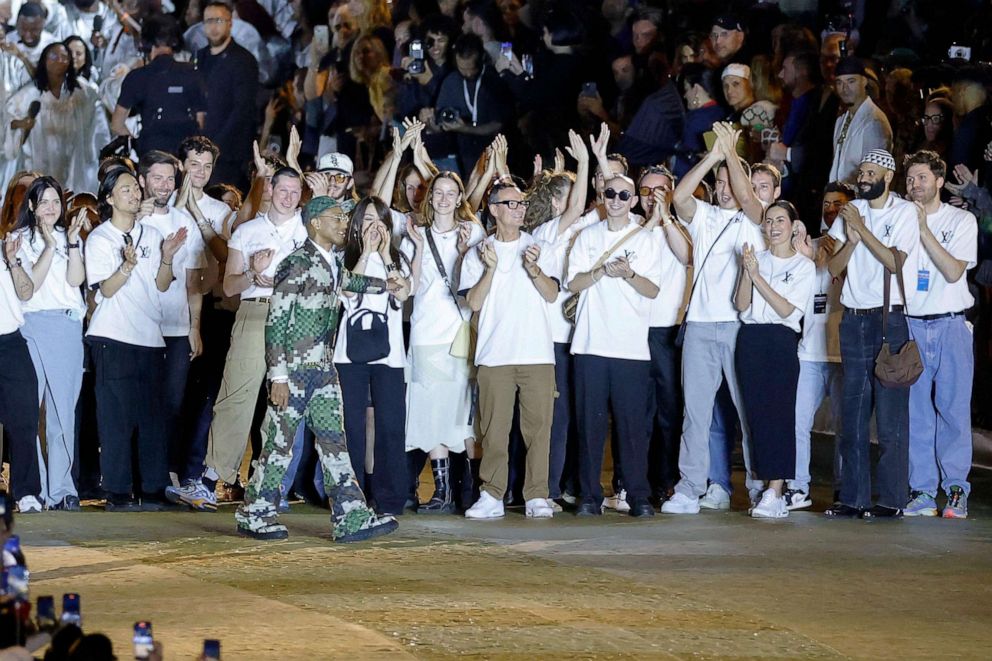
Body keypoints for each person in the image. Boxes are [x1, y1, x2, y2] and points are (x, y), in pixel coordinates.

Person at [235, 196, 399, 542]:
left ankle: (350, 515)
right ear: (315, 223)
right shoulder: (295, 263)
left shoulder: (331, 263)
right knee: (280, 443)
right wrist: (277, 376)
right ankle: (255, 511)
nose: (343, 224)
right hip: (292, 371)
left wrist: (385, 284)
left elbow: (352, 282)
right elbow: (276, 323)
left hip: (322, 370)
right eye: (336, 218)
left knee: (334, 442)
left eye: (344, 218)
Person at [167, 167, 307, 511]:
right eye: (282, 190)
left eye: (294, 191)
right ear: (269, 190)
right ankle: (211, 480)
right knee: (234, 398)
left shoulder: (308, 231)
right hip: (254, 314)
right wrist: (253, 274)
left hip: (294, 320)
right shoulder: (248, 231)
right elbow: (229, 286)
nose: (288, 198)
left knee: (286, 402)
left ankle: (271, 486)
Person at [661, 136, 765, 516]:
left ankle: (758, 486)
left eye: (728, 183)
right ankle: (689, 487)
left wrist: (733, 157)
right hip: (701, 325)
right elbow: (680, 196)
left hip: (738, 326)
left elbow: (750, 199)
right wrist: (713, 156)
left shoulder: (757, 217)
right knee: (696, 412)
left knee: (746, 411)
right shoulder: (704, 215)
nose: (723, 191)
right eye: (718, 184)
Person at [85, 166, 187, 511]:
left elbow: (161, 284)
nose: (133, 194)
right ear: (110, 198)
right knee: (115, 417)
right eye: (125, 190)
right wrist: (126, 266)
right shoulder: (100, 238)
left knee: (151, 418)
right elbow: (107, 290)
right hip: (112, 336)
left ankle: (154, 487)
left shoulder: (152, 233)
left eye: (134, 189)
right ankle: (116, 490)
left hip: (149, 337)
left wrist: (168, 257)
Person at [825, 149, 920, 519]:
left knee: (892, 415)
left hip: (889, 320)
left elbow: (895, 262)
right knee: (853, 411)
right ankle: (854, 497)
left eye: (870, 171)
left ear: (888, 176)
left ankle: (892, 499)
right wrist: (849, 239)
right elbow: (833, 268)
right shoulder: (853, 211)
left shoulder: (904, 212)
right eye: (861, 171)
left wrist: (861, 230)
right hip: (853, 318)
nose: (863, 177)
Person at [459, 182, 559, 519]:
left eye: (522, 203)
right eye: (511, 203)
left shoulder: (540, 247)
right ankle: (491, 494)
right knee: (494, 430)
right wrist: (489, 269)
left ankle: (537, 495)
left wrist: (534, 269)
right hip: (494, 354)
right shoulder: (478, 252)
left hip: (537, 354)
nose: (518, 208)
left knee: (538, 428)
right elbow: (472, 302)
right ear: (494, 209)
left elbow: (551, 294)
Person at [566, 174, 661, 517]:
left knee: (632, 426)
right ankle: (589, 495)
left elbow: (654, 290)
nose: (617, 199)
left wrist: (629, 275)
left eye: (624, 194)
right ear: (602, 197)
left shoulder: (647, 240)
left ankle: (637, 495)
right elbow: (572, 282)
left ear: (634, 200)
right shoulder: (586, 237)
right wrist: (601, 272)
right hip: (591, 345)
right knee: (588, 426)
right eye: (610, 193)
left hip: (631, 348)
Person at [401, 171, 484, 513]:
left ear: (460, 197)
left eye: (452, 193)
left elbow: (475, 287)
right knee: (428, 411)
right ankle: (441, 491)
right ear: (430, 197)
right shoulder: (414, 234)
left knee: (460, 413)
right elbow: (412, 286)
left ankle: (467, 491)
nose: (445, 199)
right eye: (439, 192)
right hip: (426, 333)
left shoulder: (473, 232)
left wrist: (464, 251)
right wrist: (419, 248)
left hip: (459, 334)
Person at [902, 150, 978, 518]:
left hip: (950, 324)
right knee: (917, 414)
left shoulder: (961, 221)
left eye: (922, 178)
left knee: (952, 410)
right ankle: (921, 491)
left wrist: (922, 229)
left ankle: (956, 490)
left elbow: (952, 271)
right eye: (911, 178)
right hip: (912, 324)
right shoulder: (899, 220)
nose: (915, 185)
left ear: (939, 182)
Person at [8, 176, 86, 511]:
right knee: (30, 411)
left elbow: (75, 280)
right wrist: (50, 247)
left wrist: (68, 243)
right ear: (31, 206)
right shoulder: (19, 240)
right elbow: (31, 287)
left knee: (62, 412)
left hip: (66, 325)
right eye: (44, 202)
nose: (51, 208)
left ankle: (62, 488)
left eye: (56, 202)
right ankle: (34, 488)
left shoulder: (69, 236)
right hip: (31, 326)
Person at [734, 201, 814, 518]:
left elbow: (786, 310)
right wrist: (746, 272)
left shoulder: (802, 266)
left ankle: (777, 489)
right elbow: (741, 304)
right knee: (755, 415)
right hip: (751, 338)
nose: (773, 226)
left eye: (780, 220)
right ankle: (765, 486)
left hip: (780, 339)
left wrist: (758, 277)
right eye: (768, 221)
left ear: (793, 226)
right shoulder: (757, 259)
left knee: (779, 414)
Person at [333, 197, 411, 516]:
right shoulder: (344, 257)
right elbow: (348, 291)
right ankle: (351, 497)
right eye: (366, 221)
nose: (373, 227)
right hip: (349, 354)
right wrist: (366, 252)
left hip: (389, 356)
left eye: (379, 221)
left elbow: (403, 292)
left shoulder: (398, 258)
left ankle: (390, 497)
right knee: (350, 427)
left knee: (390, 426)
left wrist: (384, 255)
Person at [136, 151, 207, 483]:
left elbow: (194, 281)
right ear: (142, 180)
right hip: (136, 329)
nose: (164, 185)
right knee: (141, 402)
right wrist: (136, 216)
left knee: (173, 404)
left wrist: (195, 327)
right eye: (157, 178)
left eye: (169, 179)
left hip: (177, 328)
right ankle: (137, 474)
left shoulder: (184, 221)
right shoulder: (133, 219)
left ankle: (167, 474)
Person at [788, 181, 853, 511]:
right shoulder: (808, 245)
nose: (831, 210)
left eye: (838, 204)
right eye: (826, 204)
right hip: (810, 352)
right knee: (798, 422)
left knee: (845, 427)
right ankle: (798, 487)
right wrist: (811, 255)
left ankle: (843, 491)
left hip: (843, 353)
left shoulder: (856, 247)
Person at [638, 165, 691, 501]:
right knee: (635, 414)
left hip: (667, 333)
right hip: (633, 331)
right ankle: (634, 482)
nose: (653, 198)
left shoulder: (682, 227)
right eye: (646, 191)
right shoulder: (629, 228)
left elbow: (687, 255)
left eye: (660, 191)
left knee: (669, 413)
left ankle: (666, 480)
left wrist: (664, 218)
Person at [4, 41, 110, 195]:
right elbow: (9, 120)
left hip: (73, 164)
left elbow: (96, 117)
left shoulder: (82, 91)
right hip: (39, 162)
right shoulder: (30, 94)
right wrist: (22, 124)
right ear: (44, 60)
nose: (59, 60)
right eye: (53, 56)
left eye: (64, 56)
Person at [111, 14, 205, 157]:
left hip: (152, 156)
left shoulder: (136, 77)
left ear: (145, 43)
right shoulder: (192, 73)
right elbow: (201, 120)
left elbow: (117, 125)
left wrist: (137, 143)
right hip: (187, 157)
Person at [0, 217, 42, 513]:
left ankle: (26, 492)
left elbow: (26, 292)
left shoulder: (11, 247)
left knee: (24, 419)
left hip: (11, 341)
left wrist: (13, 260)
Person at [197, 0, 259, 190]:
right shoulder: (200, 57)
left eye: (219, 20)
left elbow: (242, 110)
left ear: (230, 23)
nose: (213, 27)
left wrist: (215, 146)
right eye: (208, 21)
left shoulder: (243, 60)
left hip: (230, 156)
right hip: (201, 151)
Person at [432, 33, 508, 175]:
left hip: (496, 155)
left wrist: (465, 128)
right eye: (462, 68)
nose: (466, 74)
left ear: (481, 60)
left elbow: (497, 125)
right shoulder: (451, 81)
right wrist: (432, 120)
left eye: (470, 69)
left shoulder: (493, 80)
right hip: (464, 157)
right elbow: (439, 120)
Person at [828, 57, 892, 184]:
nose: (844, 89)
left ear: (864, 82)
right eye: (840, 83)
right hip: (839, 197)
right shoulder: (841, 120)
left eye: (851, 81)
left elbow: (873, 174)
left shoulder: (874, 122)